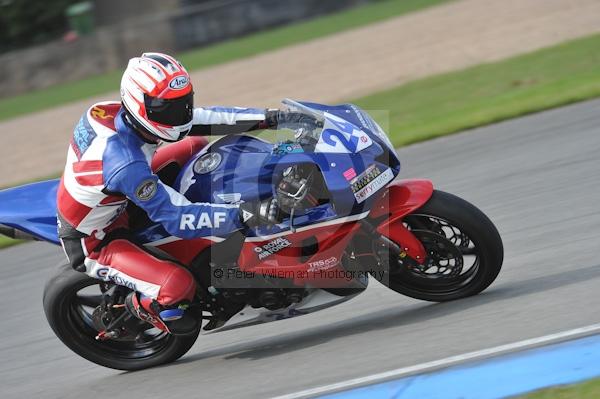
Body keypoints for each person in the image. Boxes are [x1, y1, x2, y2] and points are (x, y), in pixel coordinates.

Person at [57, 52, 283, 335]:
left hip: (118, 194)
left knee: (196, 145)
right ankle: (141, 307)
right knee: (178, 289)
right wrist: (249, 214)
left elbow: (199, 120)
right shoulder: (125, 164)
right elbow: (178, 218)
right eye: (167, 107)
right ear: (139, 103)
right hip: (98, 238)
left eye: (182, 102)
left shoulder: (116, 112)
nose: (179, 114)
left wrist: (270, 118)